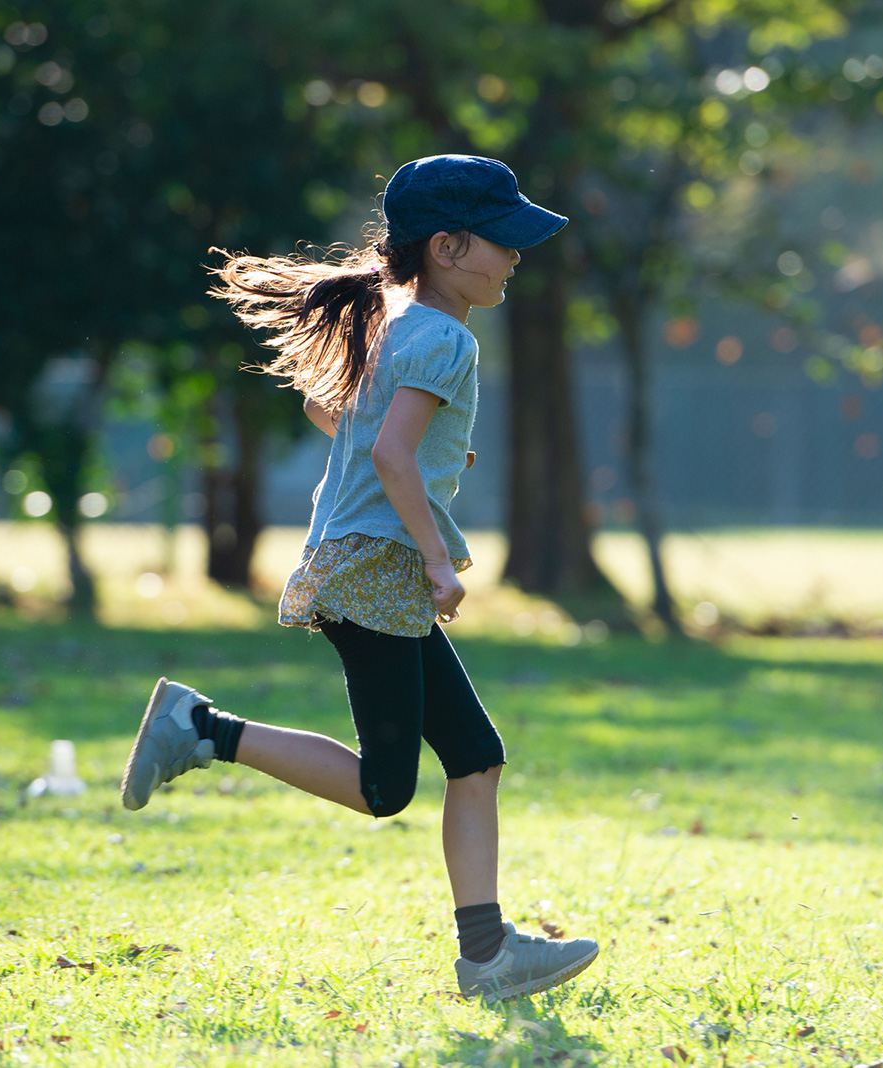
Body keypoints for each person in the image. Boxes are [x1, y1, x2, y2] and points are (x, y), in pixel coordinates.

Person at [117, 155, 598, 1002]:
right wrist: (439, 557)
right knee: (385, 788)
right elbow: (387, 454)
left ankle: (487, 954)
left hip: (362, 561)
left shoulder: (391, 321)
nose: (516, 256)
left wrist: (429, 457)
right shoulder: (445, 336)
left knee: (476, 758)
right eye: (502, 240)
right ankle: (201, 729)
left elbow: (330, 410)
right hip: (380, 566)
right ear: (447, 247)